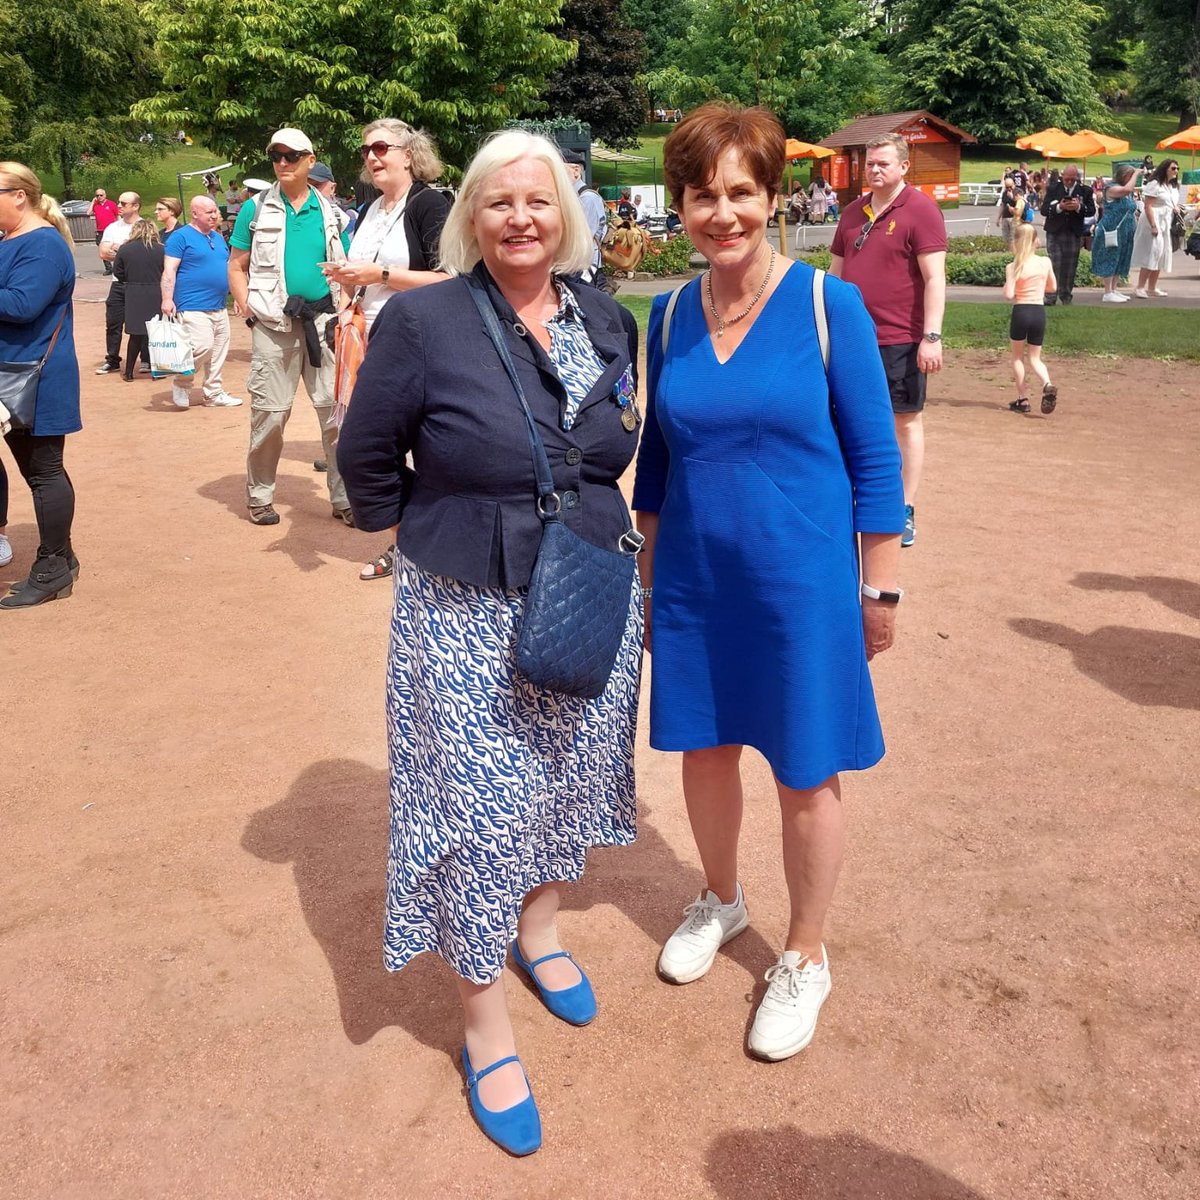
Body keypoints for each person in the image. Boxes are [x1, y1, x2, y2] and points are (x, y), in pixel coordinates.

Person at [336, 129, 642, 1156]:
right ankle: (483, 1023)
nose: (522, 218)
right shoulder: (425, 320)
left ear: (567, 213)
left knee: (559, 786)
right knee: (475, 813)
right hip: (465, 607)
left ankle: (540, 930)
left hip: (588, 589)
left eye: (540, 201)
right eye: (501, 202)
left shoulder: (605, 318)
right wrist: (428, 535)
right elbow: (366, 458)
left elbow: (612, 447)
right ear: (472, 215)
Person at [632, 103, 904, 1064]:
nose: (723, 213)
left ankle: (804, 953)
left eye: (741, 192)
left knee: (803, 769)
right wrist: (652, 570)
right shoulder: (665, 315)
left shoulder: (829, 308)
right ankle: (722, 897)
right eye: (702, 195)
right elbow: (656, 465)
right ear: (682, 205)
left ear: (773, 196)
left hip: (801, 589)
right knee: (704, 756)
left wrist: (880, 590)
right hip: (699, 584)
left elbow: (876, 464)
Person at [322, 119, 451, 582]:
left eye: (381, 148)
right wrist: (344, 288)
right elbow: (362, 273)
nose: (372, 157)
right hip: (369, 339)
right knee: (377, 445)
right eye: (366, 151)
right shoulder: (372, 208)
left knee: (425, 446)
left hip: (419, 341)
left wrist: (376, 276)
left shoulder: (429, 204)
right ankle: (404, 542)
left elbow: (450, 277)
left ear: (409, 154)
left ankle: (421, 545)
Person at [227, 128, 351, 527]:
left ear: (310, 161)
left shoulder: (331, 211)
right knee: (270, 415)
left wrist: (344, 311)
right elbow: (236, 265)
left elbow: (345, 269)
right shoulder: (256, 208)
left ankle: (344, 498)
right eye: (276, 156)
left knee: (335, 416)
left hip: (322, 323)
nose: (282, 163)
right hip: (273, 326)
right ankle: (260, 496)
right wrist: (247, 307)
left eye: (291, 156)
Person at [830, 132, 945, 549]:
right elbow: (835, 278)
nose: (874, 170)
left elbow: (935, 278)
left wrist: (931, 337)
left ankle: (905, 507)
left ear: (902, 167)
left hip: (902, 338)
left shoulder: (921, 210)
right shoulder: (852, 213)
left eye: (882, 163)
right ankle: (850, 500)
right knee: (845, 419)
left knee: (904, 422)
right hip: (852, 339)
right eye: (870, 163)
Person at [0, 163, 81, 607]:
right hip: (14, 372)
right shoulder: (10, 240)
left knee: (44, 472)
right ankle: (62, 560)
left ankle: (51, 566)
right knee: (38, 471)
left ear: (19, 195)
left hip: (35, 377)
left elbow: (21, 303)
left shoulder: (44, 244)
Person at [161, 196, 241, 408]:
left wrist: (238, 296)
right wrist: (167, 298)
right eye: (209, 212)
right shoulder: (180, 237)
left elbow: (228, 268)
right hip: (192, 304)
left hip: (219, 304)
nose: (214, 215)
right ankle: (182, 380)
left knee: (218, 352)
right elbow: (169, 270)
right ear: (195, 213)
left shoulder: (217, 237)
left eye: (215, 211)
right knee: (203, 347)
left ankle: (213, 393)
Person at [1002, 224, 1057, 415]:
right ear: (1036, 241)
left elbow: (1009, 294)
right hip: (1038, 311)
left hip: (1021, 310)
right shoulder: (1045, 262)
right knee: (1035, 358)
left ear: (1016, 243)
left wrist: (1013, 285)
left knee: (1018, 357)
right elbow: (1053, 287)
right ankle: (1047, 383)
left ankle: (1023, 398)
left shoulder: (1013, 266)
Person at [96, 191, 144, 375]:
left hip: (139, 283)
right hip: (118, 283)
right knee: (113, 322)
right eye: (119, 202)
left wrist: (119, 250)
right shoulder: (112, 228)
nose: (119, 205)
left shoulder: (144, 227)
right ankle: (112, 359)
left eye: (124, 203)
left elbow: (146, 254)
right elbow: (103, 253)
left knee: (141, 322)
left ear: (135, 206)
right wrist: (126, 250)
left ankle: (146, 359)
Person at [112, 220, 164, 383]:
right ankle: (157, 371)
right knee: (156, 334)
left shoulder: (125, 249)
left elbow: (118, 272)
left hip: (134, 293)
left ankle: (128, 372)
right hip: (157, 291)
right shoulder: (161, 249)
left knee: (135, 335)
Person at [1041, 164, 1095, 306]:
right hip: (1055, 232)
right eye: (1067, 179)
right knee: (1054, 264)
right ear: (1062, 176)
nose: (1069, 182)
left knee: (1070, 266)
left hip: (1073, 233)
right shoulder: (1053, 189)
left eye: (1072, 179)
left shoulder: (1085, 190)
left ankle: (1066, 296)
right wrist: (1059, 207)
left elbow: (1091, 211)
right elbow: (1044, 210)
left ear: (1077, 177)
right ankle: (1050, 296)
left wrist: (1078, 207)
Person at [1131, 159, 1182, 298]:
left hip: (1165, 221)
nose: (1176, 171)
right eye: (1173, 168)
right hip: (1152, 219)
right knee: (1152, 252)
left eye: (1177, 168)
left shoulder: (1171, 186)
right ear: (1165, 169)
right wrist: (1153, 225)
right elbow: (1148, 206)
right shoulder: (1155, 184)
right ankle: (1140, 286)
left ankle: (1152, 287)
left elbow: (1169, 202)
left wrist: (1175, 208)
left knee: (1161, 253)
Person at [1091, 165, 1142, 302]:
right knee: (1110, 256)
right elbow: (1126, 189)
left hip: (1125, 230)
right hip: (1111, 228)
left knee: (1121, 258)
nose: (1132, 178)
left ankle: (1114, 289)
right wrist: (1136, 174)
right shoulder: (1111, 188)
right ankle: (1107, 292)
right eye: (1129, 176)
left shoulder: (1129, 193)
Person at [562, 150, 608, 285]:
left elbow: (583, 238)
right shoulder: (574, 198)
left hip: (584, 270)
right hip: (576, 268)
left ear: (576, 171)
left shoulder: (587, 198)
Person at [91, 188, 119, 275]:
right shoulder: (95, 205)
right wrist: (92, 202)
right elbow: (88, 213)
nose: (99, 197)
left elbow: (118, 215)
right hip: (100, 230)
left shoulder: (111, 204)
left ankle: (118, 266)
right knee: (102, 249)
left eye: (101, 195)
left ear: (105, 195)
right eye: (97, 195)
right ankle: (108, 268)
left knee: (115, 248)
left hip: (111, 230)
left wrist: (119, 227)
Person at [996, 176, 1019, 248]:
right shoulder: (1005, 193)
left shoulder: (1018, 191)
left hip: (1014, 218)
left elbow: (1021, 203)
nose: (1008, 189)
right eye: (1007, 187)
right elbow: (1002, 205)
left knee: (1013, 238)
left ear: (1014, 184)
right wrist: (998, 218)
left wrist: (1012, 197)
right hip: (1005, 217)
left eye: (1010, 186)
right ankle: (1006, 252)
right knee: (1005, 238)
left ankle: (1013, 253)